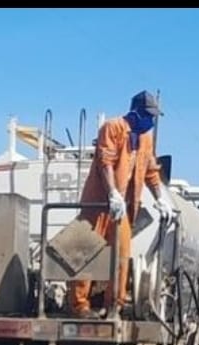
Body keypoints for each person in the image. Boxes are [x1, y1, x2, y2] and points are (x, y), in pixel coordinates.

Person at [67, 90, 174, 318]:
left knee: (122, 255)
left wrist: (160, 198)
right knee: (85, 252)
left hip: (122, 209)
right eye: (148, 115)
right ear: (135, 112)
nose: (150, 121)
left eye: (153, 117)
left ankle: (114, 305)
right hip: (98, 204)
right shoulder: (112, 127)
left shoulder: (145, 139)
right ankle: (79, 306)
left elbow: (151, 172)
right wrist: (112, 193)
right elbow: (105, 161)